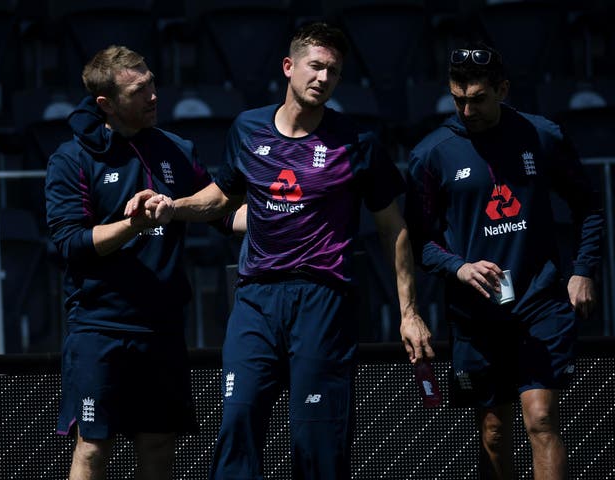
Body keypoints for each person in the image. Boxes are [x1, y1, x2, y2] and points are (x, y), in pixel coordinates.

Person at [125, 21, 433, 479]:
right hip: (255, 298)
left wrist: (409, 313)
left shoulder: (358, 142)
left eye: (333, 71)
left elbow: (395, 229)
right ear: (289, 66)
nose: (323, 78)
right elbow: (222, 196)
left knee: (316, 437)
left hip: (324, 300)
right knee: (238, 420)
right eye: (315, 66)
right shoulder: (247, 128)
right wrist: (173, 206)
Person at [406, 42, 603, 479]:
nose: (467, 110)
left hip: (540, 300)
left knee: (541, 419)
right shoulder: (430, 154)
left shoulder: (542, 135)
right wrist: (458, 267)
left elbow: (588, 207)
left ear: (503, 90)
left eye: (477, 99)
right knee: (493, 431)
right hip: (476, 312)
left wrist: (583, 270)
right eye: (458, 99)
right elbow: (418, 242)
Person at [45, 45, 240, 480]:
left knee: (158, 442)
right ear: (106, 104)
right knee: (94, 446)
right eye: (139, 90)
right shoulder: (72, 159)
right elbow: (70, 243)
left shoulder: (177, 148)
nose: (153, 95)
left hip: (163, 327)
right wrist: (133, 225)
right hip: (100, 327)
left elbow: (222, 213)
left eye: (152, 82)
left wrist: (291, 214)